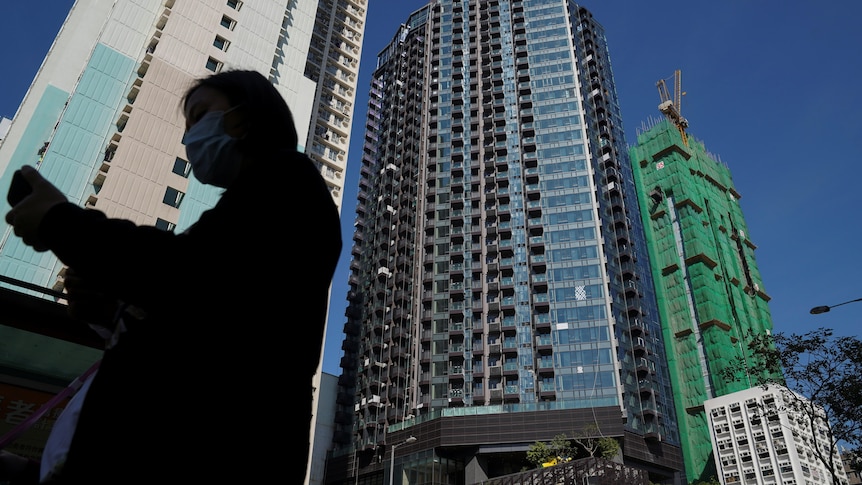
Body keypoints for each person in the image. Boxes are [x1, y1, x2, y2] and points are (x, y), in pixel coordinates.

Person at [2, 69, 341, 483]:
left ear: (245, 115)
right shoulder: (256, 203)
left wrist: (61, 222)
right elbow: (208, 308)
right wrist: (114, 310)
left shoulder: (288, 179)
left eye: (200, 116)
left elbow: (188, 273)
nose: (189, 138)